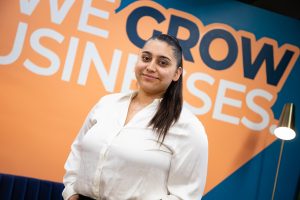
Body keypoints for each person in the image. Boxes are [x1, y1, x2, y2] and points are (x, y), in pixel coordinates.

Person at [62, 34, 208, 200]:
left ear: (177, 73)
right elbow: (78, 152)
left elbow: (184, 196)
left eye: (162, 62)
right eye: (146, 58)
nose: (151, 67)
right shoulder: (106, 104)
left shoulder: (188, 127)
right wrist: (71, 193)